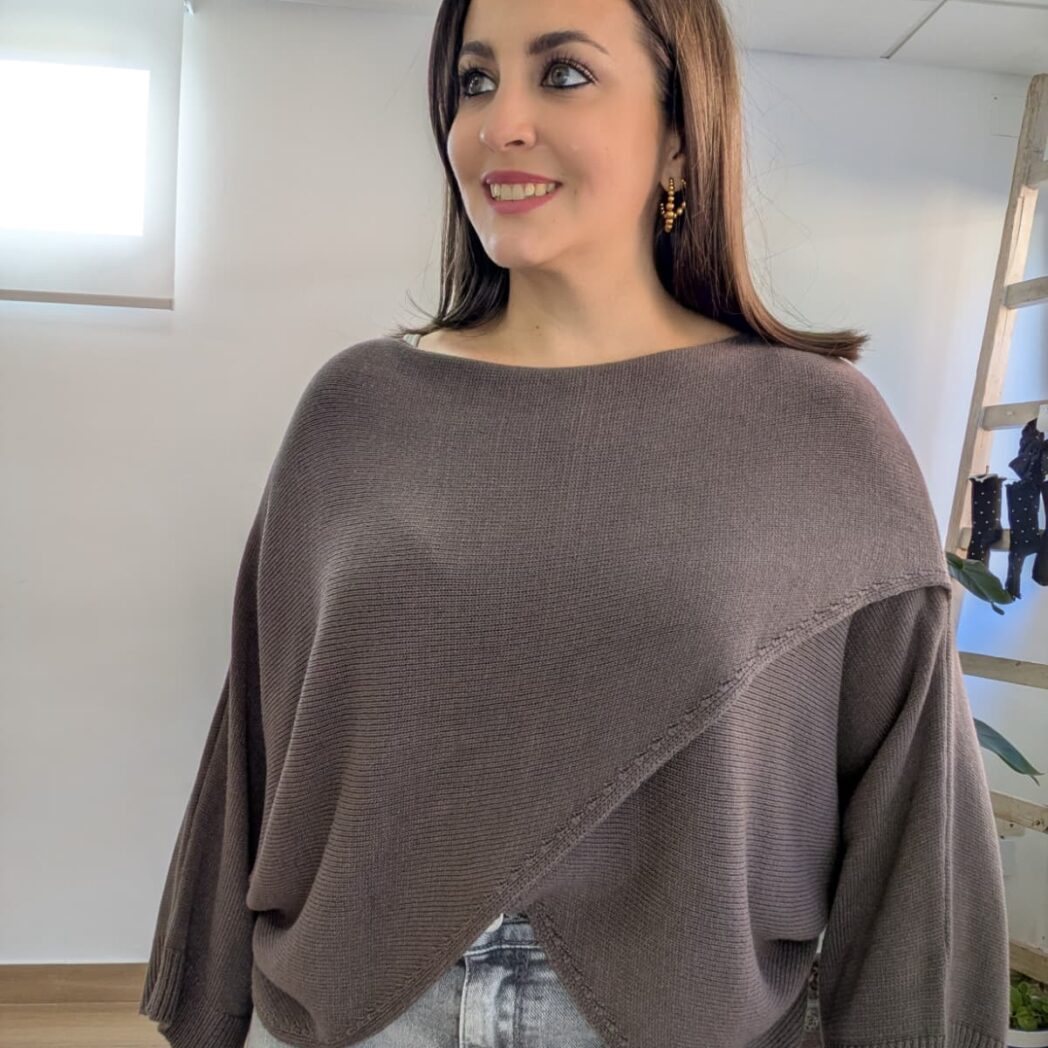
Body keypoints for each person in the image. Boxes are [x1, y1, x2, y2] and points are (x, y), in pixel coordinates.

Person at [139, 0, 1011, 1046]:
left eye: (562, 74)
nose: (497, 124)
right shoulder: (355, 408)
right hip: (359, 1013)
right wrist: (205, 1000)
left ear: (681, 133)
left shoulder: (821, 431)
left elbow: (915, 814)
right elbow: (259, 728)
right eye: (473, 81)